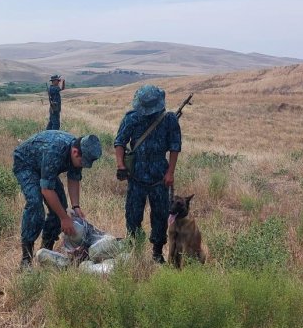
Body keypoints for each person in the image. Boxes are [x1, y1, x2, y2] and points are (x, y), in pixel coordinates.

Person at [13, 130, 102, 268]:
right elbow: (46, 190)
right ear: (74, 152)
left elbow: (74, 178)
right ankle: (26, 258)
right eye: (82, 162)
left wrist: (76, 206)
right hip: (27, 164)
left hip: (45, 167)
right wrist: (64, 218)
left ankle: (46, 251)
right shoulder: (55, 151)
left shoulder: (79, 150)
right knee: (35, 204)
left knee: (60, 206)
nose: (82, 165)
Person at [114, 85, 181, 263]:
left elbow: (175, 147)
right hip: (135, 175)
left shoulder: (169, 120)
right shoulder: (131, 118)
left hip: (160, 176)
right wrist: (121, 164)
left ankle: (157, 253)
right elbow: (119, 142)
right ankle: (133, 248)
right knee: (133, 214)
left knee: (160, 215)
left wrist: (170, 172)